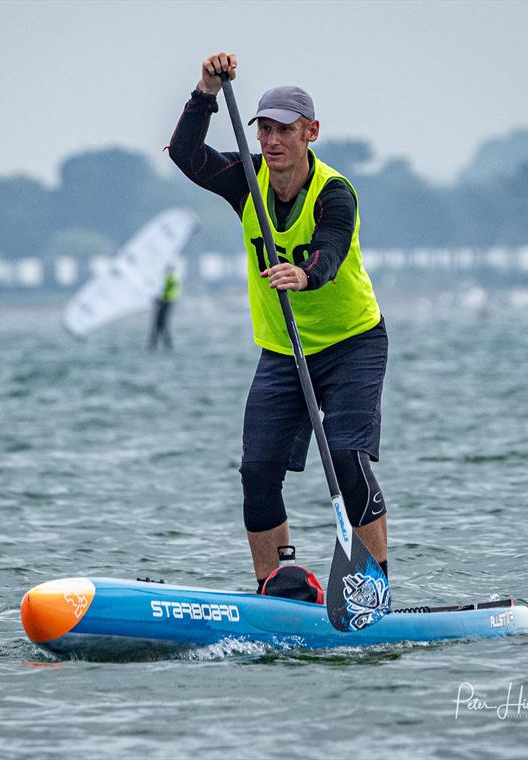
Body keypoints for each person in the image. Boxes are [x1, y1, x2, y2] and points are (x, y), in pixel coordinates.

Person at [169, 53, 391, 594]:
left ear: (311, 132)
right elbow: (184, 154)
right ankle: (278, 584)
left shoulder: (334, 192)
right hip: (283, 351)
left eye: (284, 131)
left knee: (344, 457)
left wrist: (306, 273)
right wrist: (205, 93)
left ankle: (374, 587)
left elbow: (332, 248)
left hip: (352, 343)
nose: (271, 142)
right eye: (263, 129)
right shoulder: (246, 181)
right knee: (258, 471)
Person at [148, 266, 179, 350]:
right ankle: (166, 345)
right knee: (162, 324)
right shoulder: (172, 279)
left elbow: (167, 292)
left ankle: (155, 345)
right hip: (166, 303)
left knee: (159, 324)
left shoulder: (170, 279)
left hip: (165, 303)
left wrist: (159, 300)